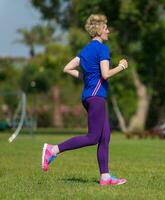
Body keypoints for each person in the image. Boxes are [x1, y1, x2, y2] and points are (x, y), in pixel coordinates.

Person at [41, 14, 128, 186]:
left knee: (105, 137)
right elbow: (105, 74)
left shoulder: (86, 50)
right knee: (93, 137)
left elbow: (67, 68)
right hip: (97, 97)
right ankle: (53, 150)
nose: (108, 31)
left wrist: (87, 78)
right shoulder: (102, 49)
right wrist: (121, 66)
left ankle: (105, 177)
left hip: (88, 97)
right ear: (98, 30)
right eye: (105, 28)